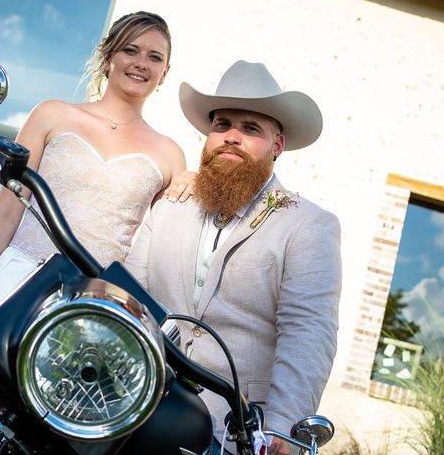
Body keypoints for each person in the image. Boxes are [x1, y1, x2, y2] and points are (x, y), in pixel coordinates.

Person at [0, 11, 190, 455]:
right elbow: (8, 210)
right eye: (130, 50)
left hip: (87, 307)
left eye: (154, 56)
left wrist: (190, 181)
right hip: (16, 283)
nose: (141, 62)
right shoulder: (52, 114)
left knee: (39, 433)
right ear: (108, 57)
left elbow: (162, 241)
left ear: (164, 72)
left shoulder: (171, 154)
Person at [124, 60, 342, 455]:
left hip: (233, 431)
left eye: (251, 128)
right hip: (135, 410)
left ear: (277, 146)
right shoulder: (170, 205)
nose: (232, 137)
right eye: (222, 124)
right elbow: (131, 299)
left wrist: (281, 430)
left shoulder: (308, 225)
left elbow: (308, 334)